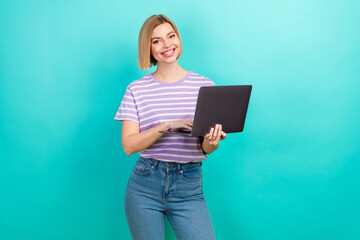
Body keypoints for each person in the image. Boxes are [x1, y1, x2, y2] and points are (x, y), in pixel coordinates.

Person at [114, 14, 226, 240]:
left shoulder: (204, 86)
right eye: (157, 41)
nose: (167, 45)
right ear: (149, 48)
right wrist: (167, 125)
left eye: (171, 36)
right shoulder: (136, 89)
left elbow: (205, 149)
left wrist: (211, 142)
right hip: (145, 185)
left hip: (189, 185)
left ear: (178, 39)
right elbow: (129, 145)